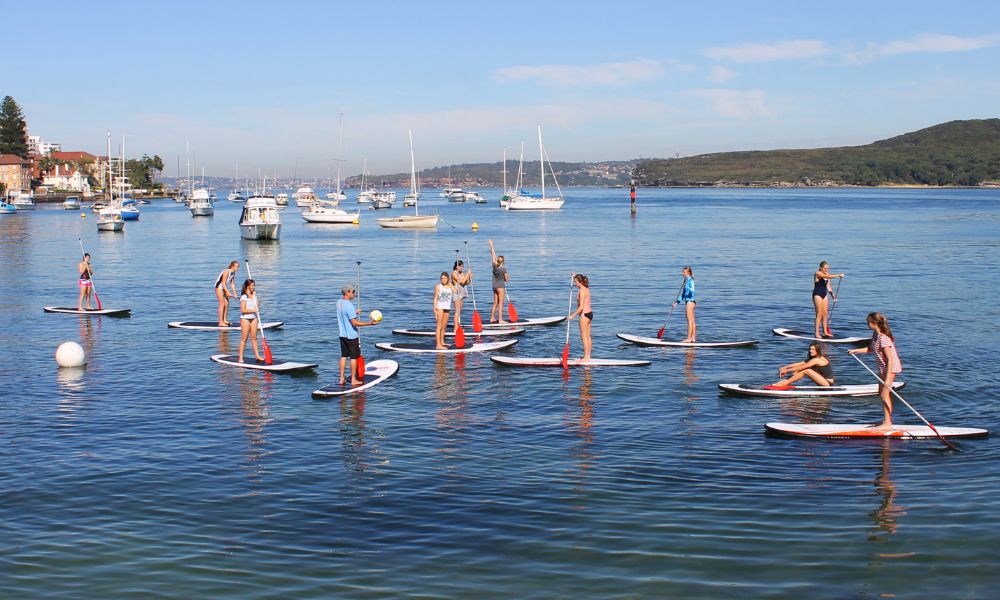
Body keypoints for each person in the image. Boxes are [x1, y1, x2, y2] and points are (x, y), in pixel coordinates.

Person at [849, 312, 903, 429]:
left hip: (890, 367)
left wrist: (888, 379)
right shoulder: (875, 336)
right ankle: (886, 420)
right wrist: (855, 351)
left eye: (868, 322)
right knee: (881, 393)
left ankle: (888, 423)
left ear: (875, 323)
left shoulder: (884, 339)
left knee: (884, 394)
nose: (867, 324)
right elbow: (870, 349)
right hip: (883, 367)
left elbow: (890, 360)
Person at [337, 284, 377, 385]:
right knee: (353, 358)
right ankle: (354, 380)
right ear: (347, 292)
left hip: (342, 335)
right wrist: (369, 323)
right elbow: (354, 323)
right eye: (353, 291)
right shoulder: (349, 305)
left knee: (343, 356)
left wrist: (354, 313)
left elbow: (344, 314)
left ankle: (341, 378)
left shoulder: (339, 302)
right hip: (351, 336)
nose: (355, 293)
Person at [771, 342, 835, 387]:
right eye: (810, 349)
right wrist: (785, 367)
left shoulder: (817, 360)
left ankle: (785, 383)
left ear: (817, 351)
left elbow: (802, 367)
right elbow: (800, 363)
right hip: (823, 381)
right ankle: (785, 382)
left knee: (806, 370)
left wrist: (786, 371)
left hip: (827, 383)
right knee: (799, 370)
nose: (810, 351)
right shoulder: (814, 358)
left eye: (813, 349)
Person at [813, 261, 845, 338]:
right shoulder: (817, 273)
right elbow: (828, 277)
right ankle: (817, 333)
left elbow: (829, 287)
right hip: (817, 294)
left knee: (825, 314)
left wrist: (833, 297)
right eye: (825, 268)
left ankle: (825, 332)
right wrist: (838, 275)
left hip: (824, 295)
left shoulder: (827, 274)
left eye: (828, 268)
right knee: (819, 314)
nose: (826, 270)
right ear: (821, 267)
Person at [567, 273, 593, 361]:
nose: (575, 284)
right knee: (588, 336)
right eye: (574, 282)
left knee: (584, 337)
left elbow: (581, 307)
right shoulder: (587, 288)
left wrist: (572, 316)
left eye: (576, 282)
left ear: (580, 282)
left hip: (584, 315)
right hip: (590, 314)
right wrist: (575, 275)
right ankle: (588, 356)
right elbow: (581, 278)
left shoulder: (581, 291)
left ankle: (586, 357)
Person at [237, 279, 263, 363]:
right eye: (252, 285)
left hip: (254, 318)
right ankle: (240, 357)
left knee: (254, 338)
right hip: (245, 318)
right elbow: (243, 310)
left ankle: (257, 356)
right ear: (247, 286)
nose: (253, 287)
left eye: (254, 285)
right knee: (244, 338)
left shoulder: (254, 295)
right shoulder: (244, 297)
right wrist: (254, 310)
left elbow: (257, 306)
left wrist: (256, 297)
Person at [672, 266, 696, 343]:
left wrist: (686, 286)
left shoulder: (690, 280)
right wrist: (676, 303)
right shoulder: (686, 281)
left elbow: (692, 291)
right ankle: (693, 338)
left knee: (690, 321)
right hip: (690, 302)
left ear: (688, 273)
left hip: (690, 302)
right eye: (682, 272)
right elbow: (682, 295)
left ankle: (689, 339)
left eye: (684, 272)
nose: (682, 274)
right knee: (692, 321)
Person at [488, 239, 508, 324]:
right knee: (501, 304)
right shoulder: (503, 269)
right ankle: (500, 319)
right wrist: (505, 277)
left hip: (494, 286)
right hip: (500, 287)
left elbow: (493, 255)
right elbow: (506, 280)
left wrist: (491, 246)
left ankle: (492, 318)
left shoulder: (494, 266)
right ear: (503, 261)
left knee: (495, 303)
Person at [434, 272, 455, 349]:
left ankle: (442, 342)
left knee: (444, 326)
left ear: (447, 279)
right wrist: (434, 309)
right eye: (442, 278)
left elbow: (457, 291)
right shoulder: (438, 287)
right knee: (439, 326)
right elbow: (435, 298)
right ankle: (438, 345)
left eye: (445, 278)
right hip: (440, 307)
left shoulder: (450, 286)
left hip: (447, 308)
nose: (443, 280)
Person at [214, 261, 239, 326]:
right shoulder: (226, 271)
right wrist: (228, 292)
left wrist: (235, 293)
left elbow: (232, 283)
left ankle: (224, 320)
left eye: (238, 266)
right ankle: (220, 322)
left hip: (223, 288)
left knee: (227, 303)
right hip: (219, 288)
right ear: (232, 266)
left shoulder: (233, 273)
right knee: (222, 304)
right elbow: (223, 283)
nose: (237, 268)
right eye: (236, 266)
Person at [451, 258, 472, 331]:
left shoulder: (462, 273)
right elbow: (462, 282)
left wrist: (469, 277)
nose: (462, 268)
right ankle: (455, 328)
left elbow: (466, 283)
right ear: (457, 266)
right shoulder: (454, 273)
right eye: (460, 266)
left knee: (460, 310)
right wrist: (467, 274)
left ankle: (458, 325)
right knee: (457, 311)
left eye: (463, 266)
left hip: (462, 293)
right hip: (456, 293)